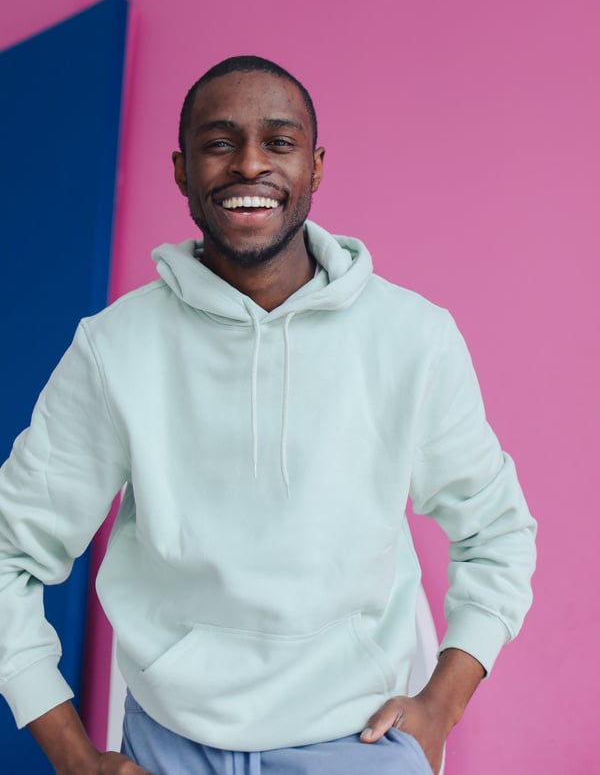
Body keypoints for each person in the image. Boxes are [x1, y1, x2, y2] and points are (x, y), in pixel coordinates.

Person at [0, 56, 536, 775]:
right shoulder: (114, 348)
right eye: (218, 142)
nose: (248, 162)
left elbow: (496, 533)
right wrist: (72, 757)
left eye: (278, 142)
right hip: (168, 743)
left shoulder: (413, 336)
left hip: (359, 742)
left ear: (314, 167)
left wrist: (441, 705)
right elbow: (7, 553)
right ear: (182, 171)